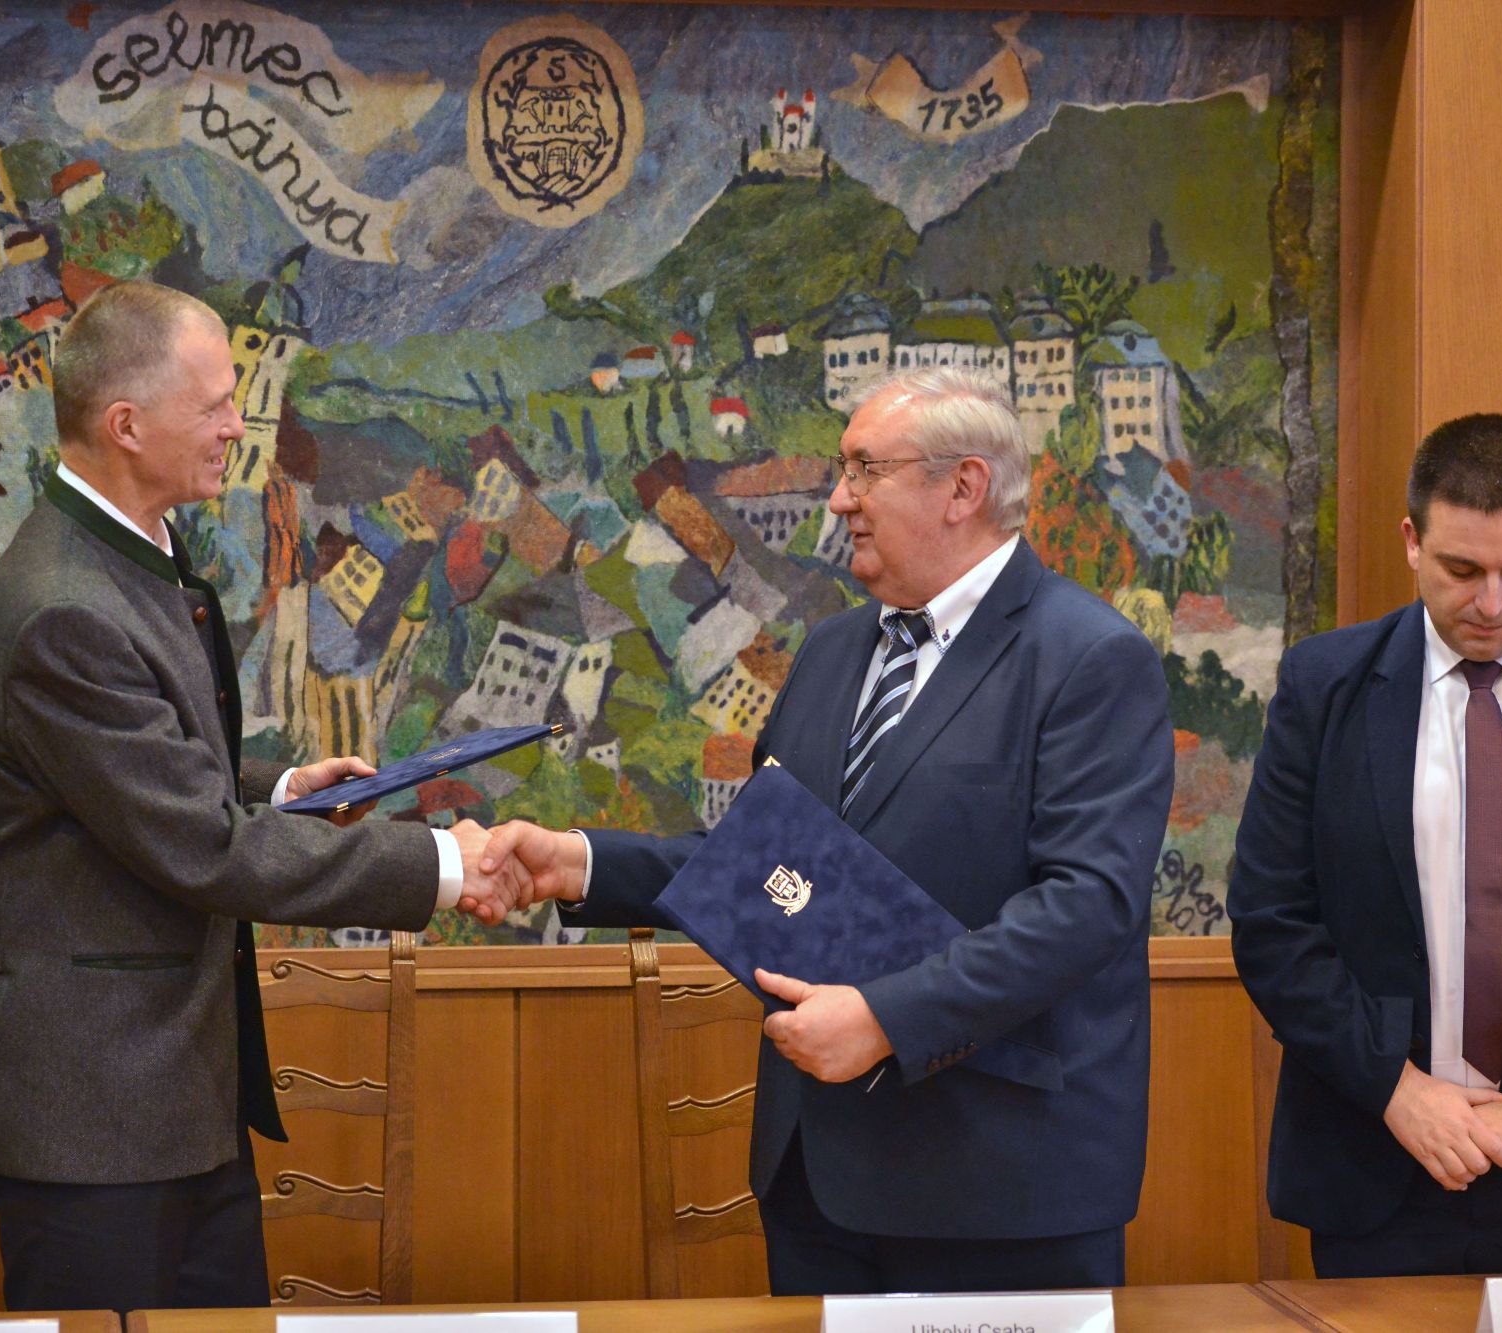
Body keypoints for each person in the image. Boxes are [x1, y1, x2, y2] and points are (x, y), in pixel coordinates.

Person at [483, 367, 1174, 1294]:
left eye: (864, 470)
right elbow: (767, 864)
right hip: (819, 1186)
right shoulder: (833, 650)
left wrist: (889, 1019)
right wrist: (578, 864)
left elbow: (1087, 907)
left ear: (963, 487)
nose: (839, 499)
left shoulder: (1089, 658)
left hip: (998, 1191)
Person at [0, 280, 517, 1312]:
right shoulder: (64, 606)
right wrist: (440, 864)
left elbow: (143, 765)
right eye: (213, 404)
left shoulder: (121, 557)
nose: (237, 427)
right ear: (127, 425)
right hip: (93, 1116)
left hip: (168, 1095)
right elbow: (200, 845)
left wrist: (280, 787)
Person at [1231, 412, 1502, 1277]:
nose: (1492, 603)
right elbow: (1272, 920)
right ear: (1412, 542)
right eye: (1463, 569)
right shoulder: (1324, 685)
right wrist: (1397, 1088)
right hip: (1377, 1163)